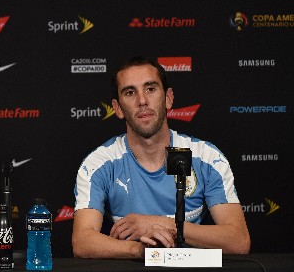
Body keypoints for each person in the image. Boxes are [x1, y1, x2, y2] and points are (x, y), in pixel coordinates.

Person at [72, 56, 250, 259]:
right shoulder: (98, 164)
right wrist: (143, 252)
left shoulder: (207, 158)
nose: (142, 101)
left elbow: (238, 240)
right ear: (118, 108)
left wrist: (165, 225)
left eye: (150, 89)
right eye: (130, 93)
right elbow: (82, 241)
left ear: (168, 98)